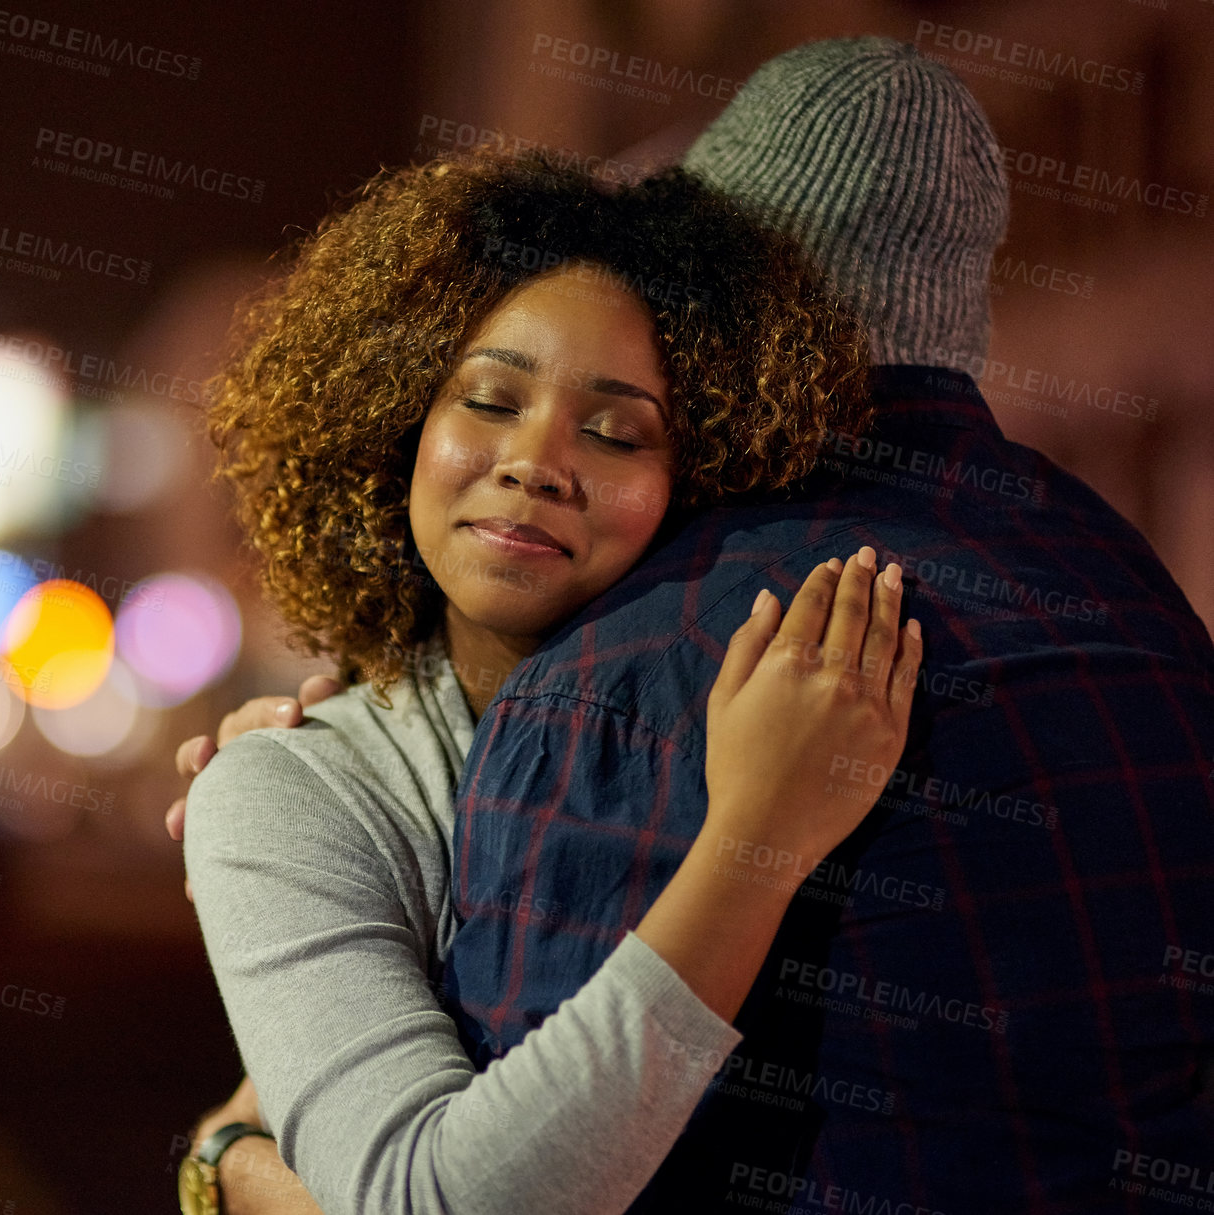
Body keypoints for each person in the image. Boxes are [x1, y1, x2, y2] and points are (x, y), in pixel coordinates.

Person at [433, 38, 1214, 1214]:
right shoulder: (1134, 591)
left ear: (719, 288)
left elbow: (502, 1179)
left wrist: (230, 1159)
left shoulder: (629, 665)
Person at [177, 149, 920, 1215]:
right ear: (397, 429)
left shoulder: (762, 706)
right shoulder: (285, 783)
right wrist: (759, 842)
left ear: (703, 477)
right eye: (487, 400)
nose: (536, 461)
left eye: (616, 432)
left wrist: (230, 1162)